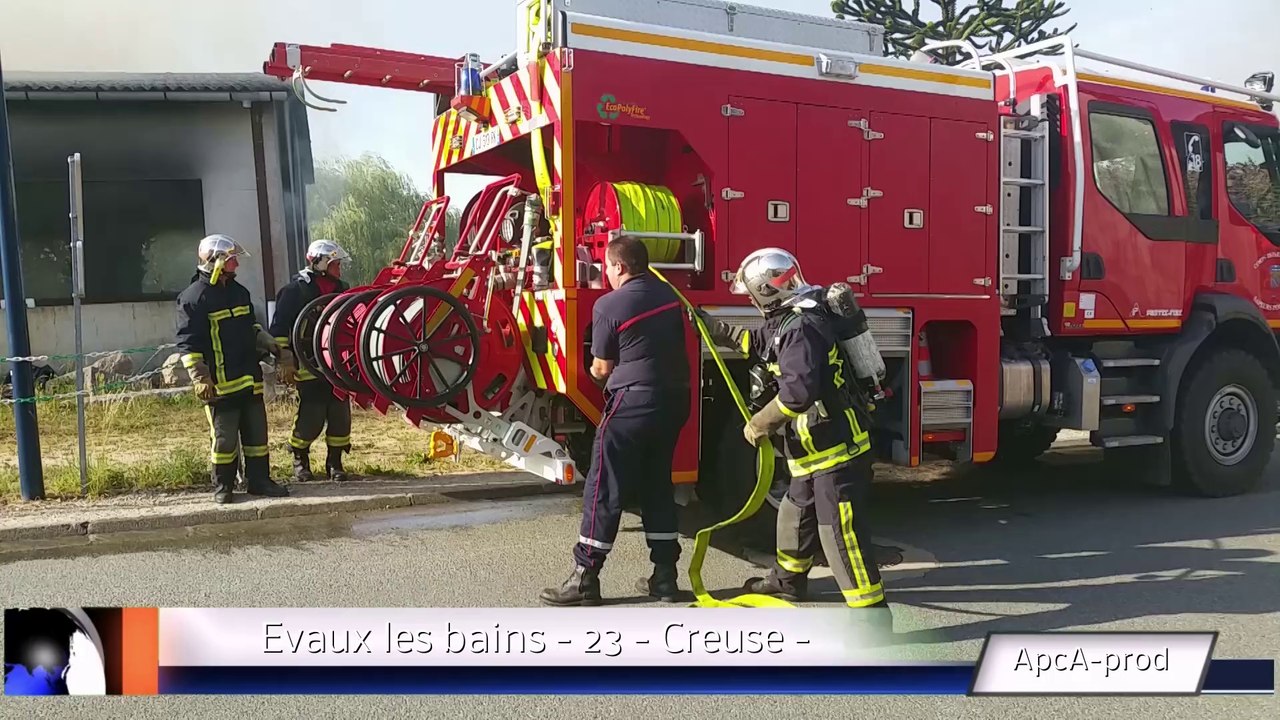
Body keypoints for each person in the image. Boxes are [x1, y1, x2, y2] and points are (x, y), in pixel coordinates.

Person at [696, 248, 890, 626]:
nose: (751, 302)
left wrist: (759, 424)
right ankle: (788, 581)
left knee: (838, 530)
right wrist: (715, 328)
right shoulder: (787, 319)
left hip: (835, 447)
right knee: (795, 512)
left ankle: (871, 616)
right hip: (810, 449)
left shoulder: (801, 327)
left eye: (752, 295)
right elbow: (761, 345)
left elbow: (797, 395)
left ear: (766, 291)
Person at [539, 236, 691, 607]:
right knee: (658, 484)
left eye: (606, 266)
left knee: (604, 486)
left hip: (632, 405)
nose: (605, 273)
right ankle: (666, 578)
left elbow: (602, 368)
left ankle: (585, 577)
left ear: (620, 266)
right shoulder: (670, 296)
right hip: (674, 402)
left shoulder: (609, 304)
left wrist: (591, 370)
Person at [175, 234, 290, 504]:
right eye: (232, 260)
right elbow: (188, 344)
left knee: (257, 435)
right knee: (225, 440)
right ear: (214, 261)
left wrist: (275, 348)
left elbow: (251, 328)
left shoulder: (240, 292)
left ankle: (259, 481)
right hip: (220, 385)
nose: (236, 265)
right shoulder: (193, 298)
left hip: (249, 379)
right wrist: (201, 378)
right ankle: (223, 485)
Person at [270, 239, 354, 482]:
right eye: (335, 263)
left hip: (337, 363)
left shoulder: (342, 288)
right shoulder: (294, 291)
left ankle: (335, 462)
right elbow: (278, 328)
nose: (339, 268)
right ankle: (300, 459)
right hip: (308, 362)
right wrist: (285, 360)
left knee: (340, 415)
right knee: (312, 414)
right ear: (320, 263)